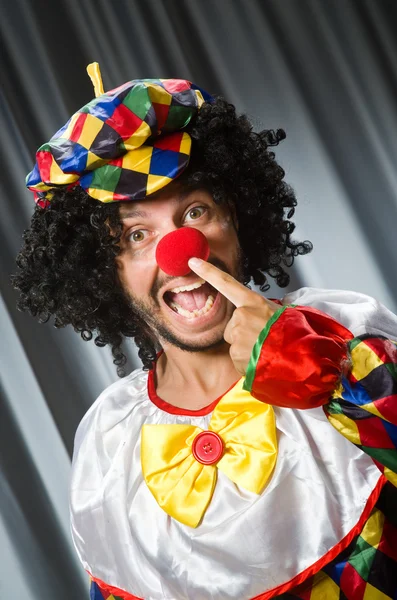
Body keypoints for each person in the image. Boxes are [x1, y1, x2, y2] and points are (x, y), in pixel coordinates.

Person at [13, 64, 397, 599]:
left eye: (195, 212)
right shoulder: (110, 442)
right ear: (107, 271)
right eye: (138, 235)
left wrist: (315, 367)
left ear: (234, 220)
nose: (180, 252)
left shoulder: (340, 332)